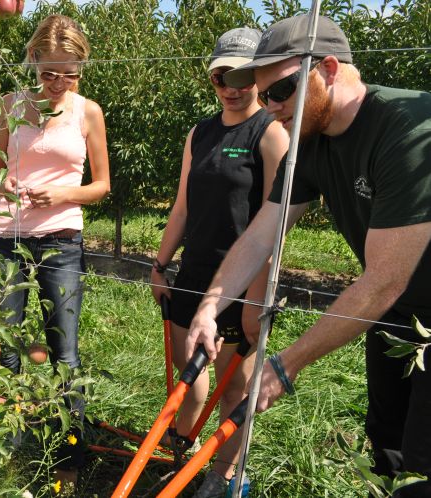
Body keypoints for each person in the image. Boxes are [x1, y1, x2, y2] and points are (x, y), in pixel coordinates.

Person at [187, 14, 431, 497]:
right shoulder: (309, 141)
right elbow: (262, 234)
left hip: (414, 308)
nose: (269, 106)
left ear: (329, 69)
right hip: (398, 317)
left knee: (422, 472)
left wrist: (285, 364)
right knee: (387, 447)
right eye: (264, 94)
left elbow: (384, 279)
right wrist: (211, 305)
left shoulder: (407, 132)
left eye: (280, 91)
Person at [150, 27, 289, 497]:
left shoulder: (270, 135)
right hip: (193, 276)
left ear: (259, 78)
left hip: (244, 282)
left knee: (235, 390)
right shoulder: (200, 133)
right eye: (220, 77)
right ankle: (182, 455)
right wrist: (161, 263)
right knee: (188, 376)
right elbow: (183, 206)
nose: (231, 87)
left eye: (243, 77)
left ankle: (225, 475)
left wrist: (255, 299)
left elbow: (276, 229)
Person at [0, 14, 110, 486]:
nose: (58, 82)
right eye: (49, 72)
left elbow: (101, 185)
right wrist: (5, 187)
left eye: (70, 73)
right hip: (7, 237)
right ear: (33, 60)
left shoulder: (87, 112)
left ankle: (70, 453)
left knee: (64, 349)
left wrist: (62, 195)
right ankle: (6, 443)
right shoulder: (10, 105)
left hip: (61, 238)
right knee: (7, 346)